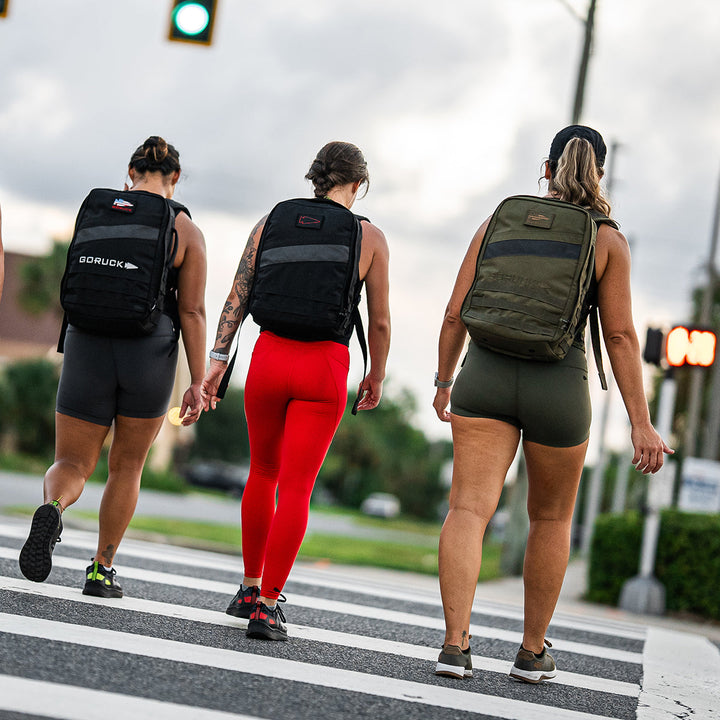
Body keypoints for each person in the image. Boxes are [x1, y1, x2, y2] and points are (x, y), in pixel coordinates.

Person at [432, 125, 673, 683]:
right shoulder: (607, 239)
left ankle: (455, 645)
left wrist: (444, 382)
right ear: (601, 175)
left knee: (468, 510)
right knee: (552, 517)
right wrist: (641, 423)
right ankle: (531, 651)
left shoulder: (499, 220)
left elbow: (454, 312)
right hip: (559, 389)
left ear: (546, 168)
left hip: (484, 378)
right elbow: (618, 338)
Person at [202, 141, 390, 641]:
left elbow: (237, 295)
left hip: (267, 358)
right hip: (323, 367)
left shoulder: (271, 222)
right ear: (359, 183)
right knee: (298, 487)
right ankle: (267, 608)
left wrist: (217, 362)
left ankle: (248, 587)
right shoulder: (369, 236)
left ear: (314, 178)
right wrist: (376, 374)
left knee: (261, 473)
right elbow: (381, 321)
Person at [19, 136, 207, 597]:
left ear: (130, 172)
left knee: (71, 462)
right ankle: (101, 569)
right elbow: (192, 312)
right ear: (175, 178)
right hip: (149, 353)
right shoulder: (185, 230)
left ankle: (55, 506)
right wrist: (199, 382)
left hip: (86, 346)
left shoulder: (98, 211)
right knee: (127, 466)